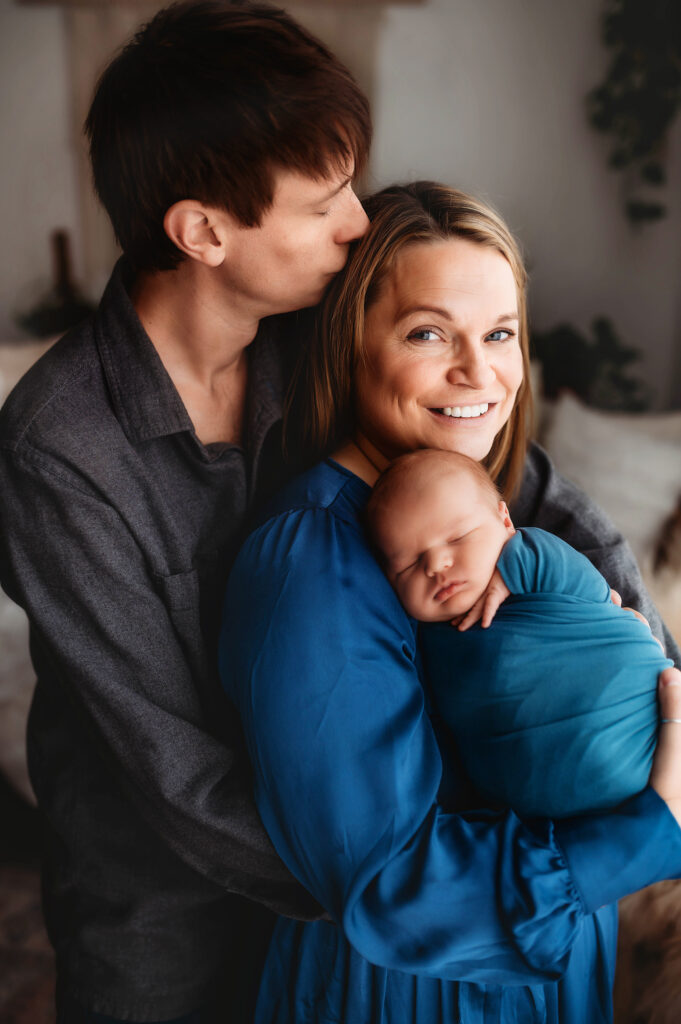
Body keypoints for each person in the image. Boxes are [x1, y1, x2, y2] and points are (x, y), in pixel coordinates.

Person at [220, 181, 681, 1024]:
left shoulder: (514, 521)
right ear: (349, 348)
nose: (480, 373)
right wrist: (654, 827)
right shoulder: (313, 561)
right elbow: (392, 886)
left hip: (549, 963)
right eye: (428, 332)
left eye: (499, 333)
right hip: (414, 992)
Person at [0, 3, 371, 1022]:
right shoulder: (57, 448)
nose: (359, 224)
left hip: (341, 868)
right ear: (202, 230)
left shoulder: (316, 341)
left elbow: (528, 484)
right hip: (156, 910)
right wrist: (395, 882)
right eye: (325, 200)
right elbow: (174, 771)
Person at [366, 447, 671, 818]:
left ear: (505, 521)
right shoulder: (422, 640)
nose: (436, 564)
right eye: (408, 564)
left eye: (458, 537)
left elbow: (590, 586)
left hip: (636, 724)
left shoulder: (532, 558)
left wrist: (515, 570)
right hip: (547, 808)